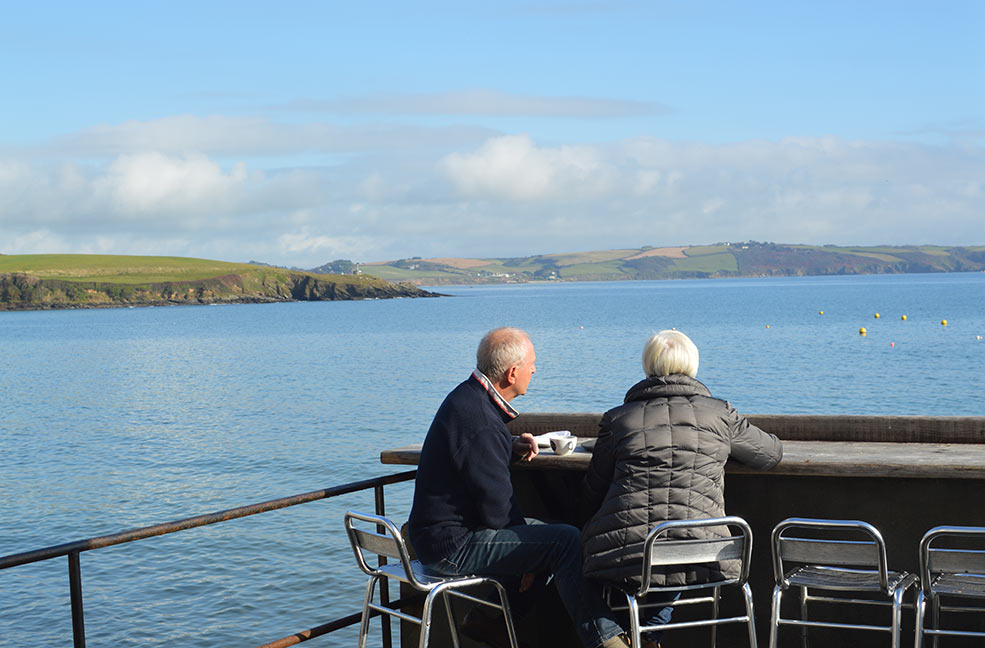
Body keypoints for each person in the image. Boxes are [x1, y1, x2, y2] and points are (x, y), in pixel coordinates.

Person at [409, 327, 627, 648]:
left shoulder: (468, 400)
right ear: (512, 373)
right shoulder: (481, 421)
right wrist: (527, 557)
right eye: (532, 363)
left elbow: (474, 450)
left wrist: (508, 444)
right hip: (451, 548)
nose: (535, 369)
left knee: (552, 534)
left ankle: (497, 624)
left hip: (435, 538)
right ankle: (607, 641)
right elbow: (498, 507)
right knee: (565, 540)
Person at [581, 329, 783, 646]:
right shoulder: (720, 414)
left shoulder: (619, 419)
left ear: (648, 366)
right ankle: (649, 636)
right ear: (693, 366)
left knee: (579, 556)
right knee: (677, 545)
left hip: (630, 549)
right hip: (708, 548)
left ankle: (627, 636)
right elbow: (771, 454)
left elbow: (592, 490)